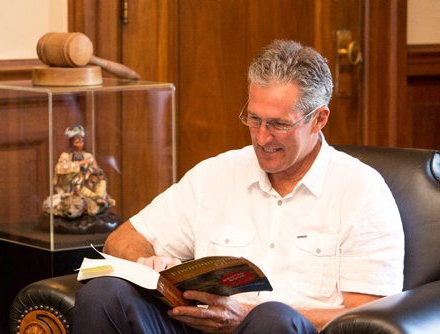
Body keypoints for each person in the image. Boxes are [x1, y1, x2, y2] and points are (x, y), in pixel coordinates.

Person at [72, 40, 404, 333]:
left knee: (272, 319)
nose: (261, 138)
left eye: (278, 125)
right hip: (200, 327)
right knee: (103, 293)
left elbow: (367, 318)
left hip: (284, 329)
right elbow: (122, 239)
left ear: (318, 120)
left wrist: (245, 315)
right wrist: (152, 264)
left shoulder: (362, 192)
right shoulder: (216, 174)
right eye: (254, 119)